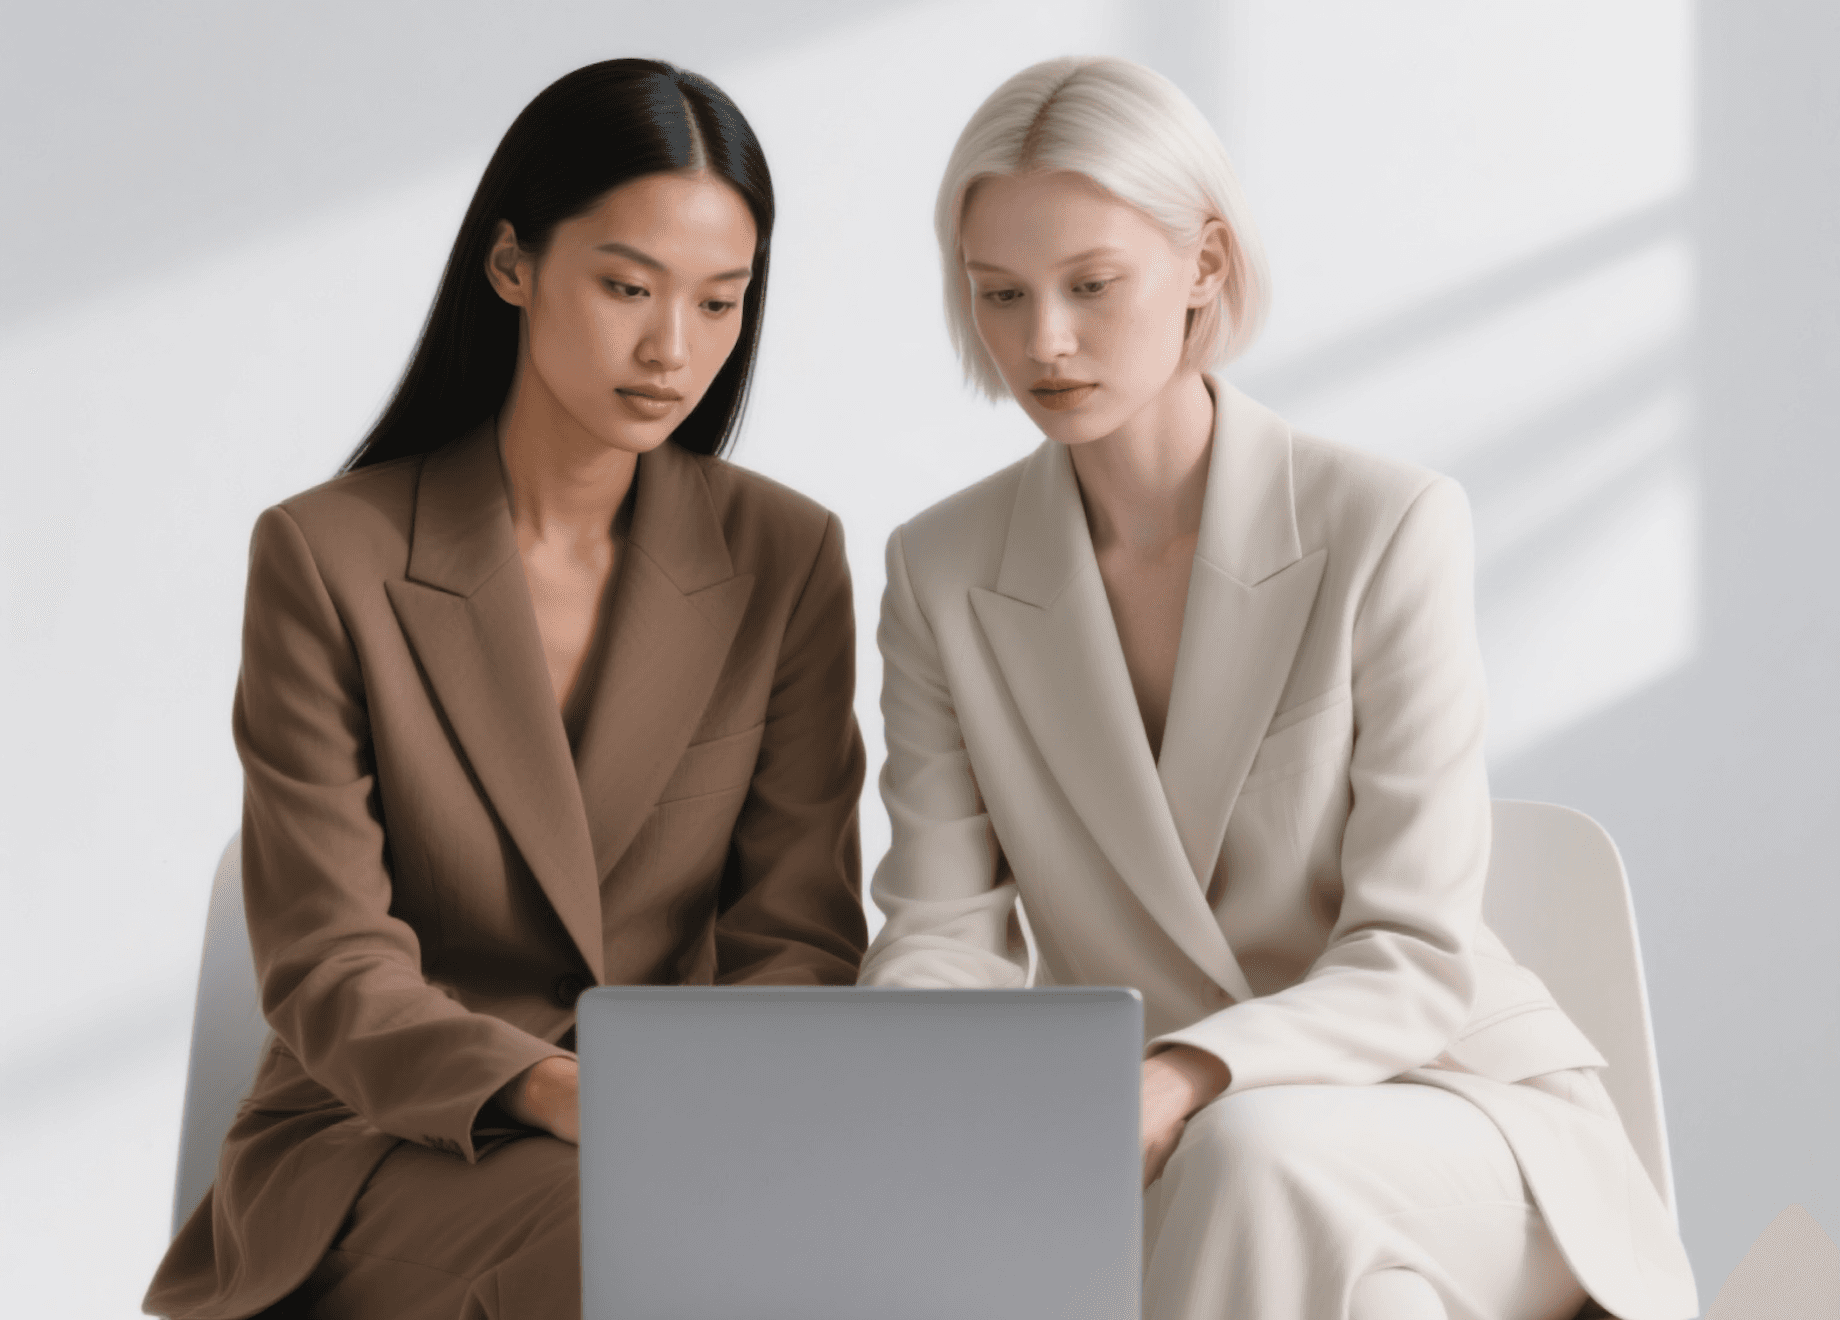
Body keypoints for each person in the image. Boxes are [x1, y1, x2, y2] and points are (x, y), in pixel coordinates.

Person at [859, 55, 1698, 1320]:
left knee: (1248, 1156)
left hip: (1444, 1118)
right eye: (999, 295)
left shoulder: (1385, 524)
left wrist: (1187, 1074)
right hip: (1136, 1135)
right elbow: (939, 931)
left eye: (1091, 286)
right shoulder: (941, 568)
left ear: (1202, 263)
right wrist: (942, 1089)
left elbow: (1415, 954)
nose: (1045, 341)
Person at [144, 58, 867, 1320]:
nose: (671, 348)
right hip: (389, 1144)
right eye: (628, 288)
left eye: (719, 302)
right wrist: (564, 1095)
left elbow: (798, 936)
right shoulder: (330, 557)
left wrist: (709, 1112)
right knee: (647, 1240)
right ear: (512, 265)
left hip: (685, 1138)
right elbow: (328, 963)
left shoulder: (783, 557)